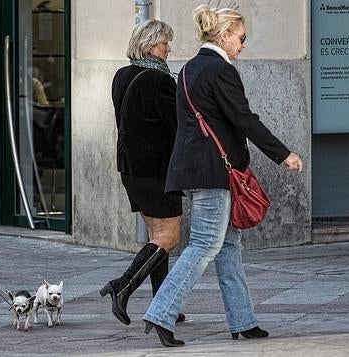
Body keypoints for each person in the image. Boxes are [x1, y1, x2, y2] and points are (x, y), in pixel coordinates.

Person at [142, 4, 303, 347]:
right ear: (225, 35)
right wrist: (282, 153)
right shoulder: (220, 70)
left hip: (197, 169)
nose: (243, 45)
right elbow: (244, 119)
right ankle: (161, 313)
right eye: (242, 38)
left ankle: (243, 320)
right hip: (215, 171)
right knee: (204, 244)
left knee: (228, 246)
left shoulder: (188, 68)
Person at [101, 19, 185, 326]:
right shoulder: (160, 80)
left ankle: (163, 303)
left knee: (156, 237)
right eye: (164, 43)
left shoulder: (121, 75)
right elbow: (177, 129)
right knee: (169, 235)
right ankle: (122, 287)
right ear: (150, 45)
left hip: (131, 169)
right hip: (157, 171)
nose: (168, 49)